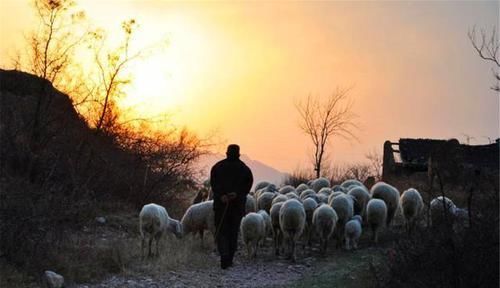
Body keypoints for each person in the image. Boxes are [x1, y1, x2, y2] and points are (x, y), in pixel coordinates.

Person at [210, 144, 253, 269]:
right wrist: (237, 194)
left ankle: (224, 256)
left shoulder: (217, 167)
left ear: (227, 153)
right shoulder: (244, 169)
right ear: (238, 154)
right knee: (233, 232)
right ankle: (229, 259)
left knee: (222, 230)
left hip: (221, 206)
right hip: (236, 206)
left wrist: (221, 195)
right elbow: (247, 185)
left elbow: (214, 184)